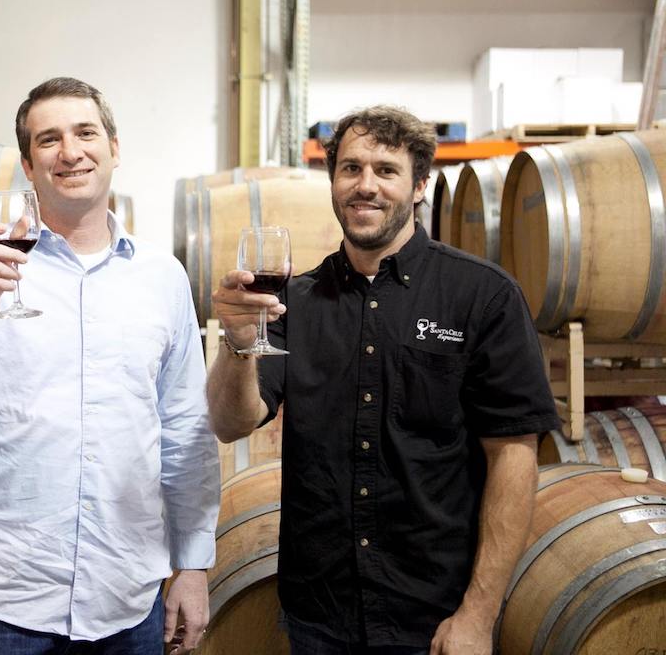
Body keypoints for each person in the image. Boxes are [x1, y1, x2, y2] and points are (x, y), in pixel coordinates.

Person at [206, 106, 558, 655]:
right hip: (320, 614)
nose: (364, 186)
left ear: (419, 185)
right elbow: (231, 423)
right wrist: (236, 342)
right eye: (350, 169)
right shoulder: (295, 301)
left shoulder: (482, 296)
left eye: (385, 170)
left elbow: (513, 455)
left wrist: (478, 613)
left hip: (434, 616)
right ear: (333, 182)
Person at [0, 77, 219, 655]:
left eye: (85, 133)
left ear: (114, 148)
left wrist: (192, 565)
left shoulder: (162, 277)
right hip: (8, 601)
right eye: (49, 140)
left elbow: (185, 429)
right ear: (28, 163)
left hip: (127, 599)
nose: (70, 152)